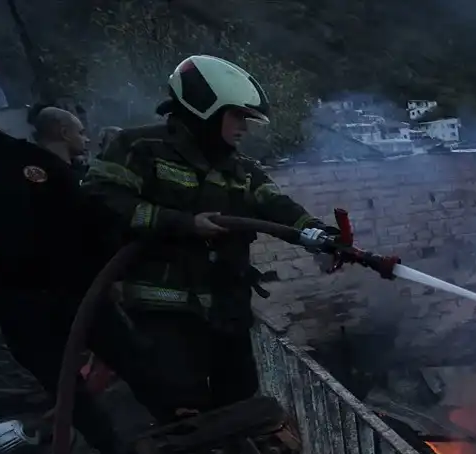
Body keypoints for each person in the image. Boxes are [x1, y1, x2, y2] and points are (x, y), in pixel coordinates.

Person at [83, 55, 339, 412]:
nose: (244, 128)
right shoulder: (139, 149)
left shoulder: (240, 169)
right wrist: (183, 223)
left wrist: (319, 235)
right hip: (166, 311)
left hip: (225, 307)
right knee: (180, 407)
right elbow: (101, 199)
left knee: (240, 402)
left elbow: (276, 205)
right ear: (205, 107)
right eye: (238, 116)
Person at [0, 79, 173, 454]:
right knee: (62, 386)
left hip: (76, 290)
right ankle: (112, 451)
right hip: (15, 305)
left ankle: (180, 422)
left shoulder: (26, 161)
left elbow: (86, 218)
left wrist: (112, 269)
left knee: (132, 359)